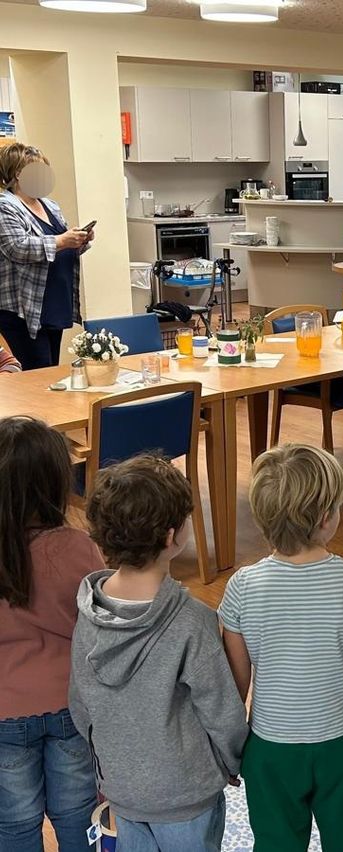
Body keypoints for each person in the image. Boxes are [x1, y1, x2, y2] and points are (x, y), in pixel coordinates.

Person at [219, 444, 343, 852]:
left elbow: (234, 689)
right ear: (327, 517)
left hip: (270, 750)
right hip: (342, 746)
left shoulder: (241, 588)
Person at [69, 455, 248, 852]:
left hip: (122, 789)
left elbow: (81, 708)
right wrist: (233, 762)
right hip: (188, 793)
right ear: (172, 537)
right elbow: (222, 710)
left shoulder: (87, 614)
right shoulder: (193, 621)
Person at [0, 416, 100, 851]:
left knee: (16, 825)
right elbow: (101, 629)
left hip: (3, 713)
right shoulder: (79, 547)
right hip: (69, 707)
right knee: (79, 816)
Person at [0, 144, 94, 370]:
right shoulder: (5, 205)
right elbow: (17, 247)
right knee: (36, 375)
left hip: (54, 302)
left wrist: (80, 240)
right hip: (24, 308)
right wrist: (63, 240)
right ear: (18, 174)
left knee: (51, 370)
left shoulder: (50, 205)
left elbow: (59, 247)